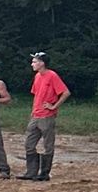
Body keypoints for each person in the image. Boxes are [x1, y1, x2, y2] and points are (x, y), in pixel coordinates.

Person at [24, 52, 71, 181]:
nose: (32, 64)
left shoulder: (52, 75)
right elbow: (36, 95)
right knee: (29, 143)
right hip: (36, 115)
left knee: (48, 145)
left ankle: (44, 173)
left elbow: (66, 92)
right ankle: (31, 172)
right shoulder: (37, 76)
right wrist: (33, 111)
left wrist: (54, 106)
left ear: (42, 63)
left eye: (34, 61)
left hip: (47, 116)